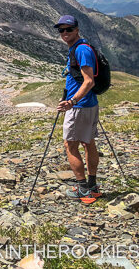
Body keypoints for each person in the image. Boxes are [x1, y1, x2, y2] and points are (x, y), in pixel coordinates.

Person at [54, 15, 101, 199]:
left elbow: (88, 81)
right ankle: (93, 186)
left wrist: (71, 101)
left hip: (79, 107)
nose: (65, 33)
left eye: (69, 29)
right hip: (88, 104)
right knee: (88, 143)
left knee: (70, 145)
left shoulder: (81, 50)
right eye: (61, 30)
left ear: (77, 29)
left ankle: (83, 189)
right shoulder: (81, 47)